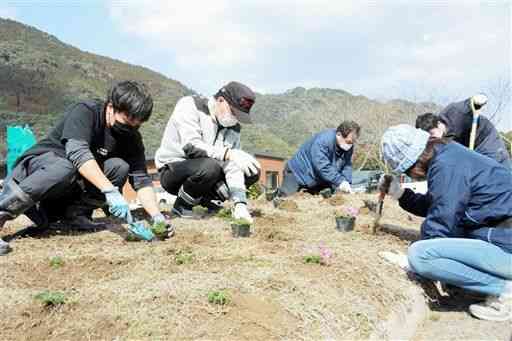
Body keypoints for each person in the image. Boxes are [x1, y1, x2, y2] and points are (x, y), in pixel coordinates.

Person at [0, 81, 173, 255]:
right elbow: (78, 154)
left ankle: (73, 216)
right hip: (37, 174)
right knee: (66, 166)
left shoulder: (131, 138)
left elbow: (142, 180)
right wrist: (110, 191)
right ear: (111, 106)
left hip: (67, 186)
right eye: (128, 120)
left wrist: (156, 216)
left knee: (119, 167)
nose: (132, 127)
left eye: (138, 123)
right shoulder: (86, 111)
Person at [380, 124, 512, 322]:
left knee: (421, 255)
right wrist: (401, 195)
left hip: (506, 240)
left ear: (414, 163)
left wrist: (413, 263)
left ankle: (504, 291)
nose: (411, 176)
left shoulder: (445, 166)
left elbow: (442, 221)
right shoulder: (449, 154)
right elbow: (441, 204)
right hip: (501, 235)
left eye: (407, 171)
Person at [155, 81, 260, 222]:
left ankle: (205, 200)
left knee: (251, 170)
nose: (235, 119)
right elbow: (191, 146)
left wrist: (239, 202)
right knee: (210, 167)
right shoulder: (190, 105)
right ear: (221, 101)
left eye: (238, 117)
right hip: (174, 170)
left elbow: (232, 164)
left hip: (208, 170)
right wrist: (228, 153)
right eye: (233, 113)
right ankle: (182, 206)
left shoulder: (233, 128)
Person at [415, 94, 511, 168]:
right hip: (468, 147)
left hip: (485, 139)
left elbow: (469, 104)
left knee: (497, 167)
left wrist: (477, 100)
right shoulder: (438, 140)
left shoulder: (455, 112)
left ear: (439, 124)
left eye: (432, 134)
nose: (433, 139)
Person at [274, 121, 360, 197]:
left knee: (328, 200)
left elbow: (347, 165)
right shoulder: (323, 141)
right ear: (339, 134)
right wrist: (340, 181)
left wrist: (347, 182)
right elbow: (322, 166)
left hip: (319, 179)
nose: (349, 146)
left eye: (352, 143)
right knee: (286, 201)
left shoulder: (348, 148)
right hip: (298, 173)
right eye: (348, 142)